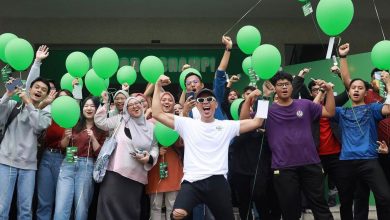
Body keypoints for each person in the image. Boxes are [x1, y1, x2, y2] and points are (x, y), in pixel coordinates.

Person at [152, 75, 265, 220]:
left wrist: (264, 99)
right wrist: (157, 86)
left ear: (216, 104)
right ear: (197, 105)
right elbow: (157, 113)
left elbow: (256, 122)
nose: (205, 102)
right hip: (192, 182)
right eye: (201, 100)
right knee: (177, 215)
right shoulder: (187, 123)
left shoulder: (225, 126)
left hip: (217, 181)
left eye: (209, 99)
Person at [266, 71, 335, 220]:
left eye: (287, 84)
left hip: (310, 163)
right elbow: (246, 119)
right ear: (275, 89)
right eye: (280, 85)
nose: (284, 87)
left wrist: (328, 91)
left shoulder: (305, 104)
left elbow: (329, 112)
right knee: (290, 210)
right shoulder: (268, 110)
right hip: (284, 167)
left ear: (292, 87)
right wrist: (252, 99)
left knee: (320, 207)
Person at [94, 96, 159, 220]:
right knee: (107, 207)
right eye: (131, 105)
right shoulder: (120, 120)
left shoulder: (152, 128)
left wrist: (149, 158)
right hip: (114, 173)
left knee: (130, 211)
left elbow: (154, 147)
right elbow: (100, 122)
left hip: (136, 178)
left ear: (142, 105)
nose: (135, 106)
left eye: (138, 103)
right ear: (126, 108)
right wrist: (104, 102)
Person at [0, 77, 52, 219]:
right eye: (37, 87)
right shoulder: (12, 105)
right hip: (6, 162)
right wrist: (7, 95)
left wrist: (29, 103)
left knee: (25, 210)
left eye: (43, 90)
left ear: (46, 96)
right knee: (2, 207)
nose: (39, 90)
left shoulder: (46, 114)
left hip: (28, 167)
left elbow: (38, 125)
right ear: (30, 89)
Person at [232, 83, 281, 220]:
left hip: (260, 172)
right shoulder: (234, 128)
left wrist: (265, 96)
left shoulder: (264, 123)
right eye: (247, 108)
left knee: (262, 202)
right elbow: (244, 121)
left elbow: (260, 118)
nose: (250, 110)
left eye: (253, 108)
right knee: (244, 206)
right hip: (241, 172)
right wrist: (249, 100)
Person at [53, 96, 107, 220]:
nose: (88, 108)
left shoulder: (102, 129)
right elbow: (61, 147)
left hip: (87, 165)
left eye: (92, 106)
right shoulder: (74, 123)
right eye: (86, 106)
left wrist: (93, 138)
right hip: (69, 161)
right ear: (82, 109)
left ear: (97, 108)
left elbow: (100, 153)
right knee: (61, 204)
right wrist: (66, 138)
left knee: (81, 206)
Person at [146, 92, 184, 220]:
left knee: (172, 204)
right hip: (155, 166)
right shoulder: (150, 122)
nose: (167, 102)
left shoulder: (178, 121)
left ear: (174, 104)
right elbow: (143, 143)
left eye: (170, 100)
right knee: (155, 205)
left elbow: (183, 143)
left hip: (173, 164)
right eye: (163, 100)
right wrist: (156, 148)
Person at [36, 90, 73, 220]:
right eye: (60, 98)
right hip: (47, 157)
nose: (63, 101)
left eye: (66, 98)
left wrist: (71, 164)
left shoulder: (75, 119)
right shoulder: (49, 115)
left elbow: (74, 147)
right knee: (44, 201)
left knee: (62, 203)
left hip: (64, 161)